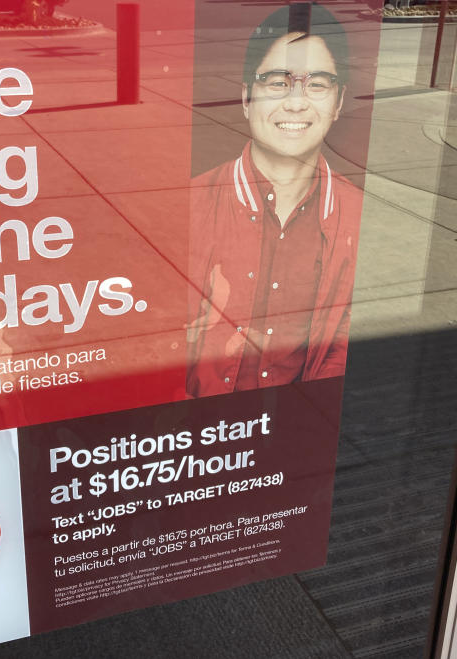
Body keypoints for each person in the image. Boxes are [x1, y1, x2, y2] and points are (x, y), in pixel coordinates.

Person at [186, 2, 362, 398]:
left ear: (338, 102)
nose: (296, 102)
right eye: (278, 82)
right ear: (247, 97)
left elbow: (347, 344)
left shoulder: (359, 218)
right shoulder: (187, 206)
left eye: (317, 84)